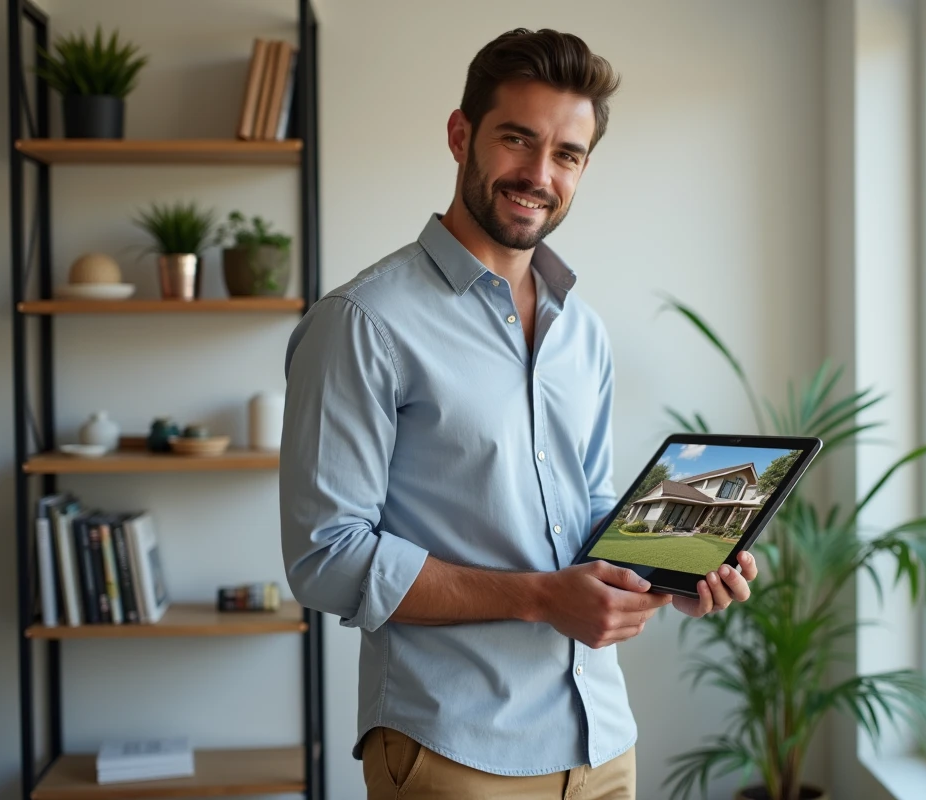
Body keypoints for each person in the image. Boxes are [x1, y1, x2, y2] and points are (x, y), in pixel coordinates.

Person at [279, 27, 758, 800]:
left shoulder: (582, 328)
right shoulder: (363, 322)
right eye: (517, 140)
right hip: (454, 752)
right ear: (460, 135)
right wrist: (540, 596)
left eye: (567, 154)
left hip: (602, 742)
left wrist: (671, 573)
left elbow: (589, 506)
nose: (539, 175)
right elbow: (324, 558)